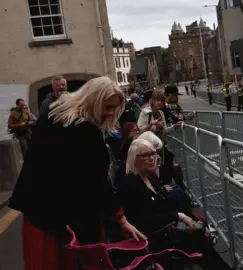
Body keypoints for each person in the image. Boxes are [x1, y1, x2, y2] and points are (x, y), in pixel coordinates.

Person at [9, 76, 146, 270]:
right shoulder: (87, 132)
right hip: (65, 224)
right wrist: (121, 218)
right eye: (107, 107)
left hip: (37, 215)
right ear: (93, 101)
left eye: (114, 109)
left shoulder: (52, 116)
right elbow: (99, 184)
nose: (110, 114)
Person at [119, 139, 233, 269]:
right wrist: (179, 216)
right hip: (154, 239)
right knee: (199, 242)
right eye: (145, 155)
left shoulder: (150, 177)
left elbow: (165, 205)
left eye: (153, 154)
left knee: (200, 239)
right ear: (134, 158)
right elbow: (144, 221)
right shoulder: (129, 185)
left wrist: (185, 218)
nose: (151, 158)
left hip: (166, 230)